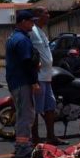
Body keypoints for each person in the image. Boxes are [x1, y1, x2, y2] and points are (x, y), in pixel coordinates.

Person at [5, 10, 40, 158]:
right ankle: (22, 148)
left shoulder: (15, 37)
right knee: (25, 115)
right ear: (23, 21)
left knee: (23, 114)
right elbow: (26, 62)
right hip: (22, 81)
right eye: (31, 21)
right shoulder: (22, 40)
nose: (33, 24)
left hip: (16, 80)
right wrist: (34, 81)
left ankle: (23, 144)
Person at [29, 7, 61, 145]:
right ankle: (35, 138)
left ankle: (51, 136)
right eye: (46, 13)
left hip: (47, 77)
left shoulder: (41, 31)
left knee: (50, 107)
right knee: (36, 109)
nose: (48, 15)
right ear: (37, 16)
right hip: (39, 77)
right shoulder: (32, 31)